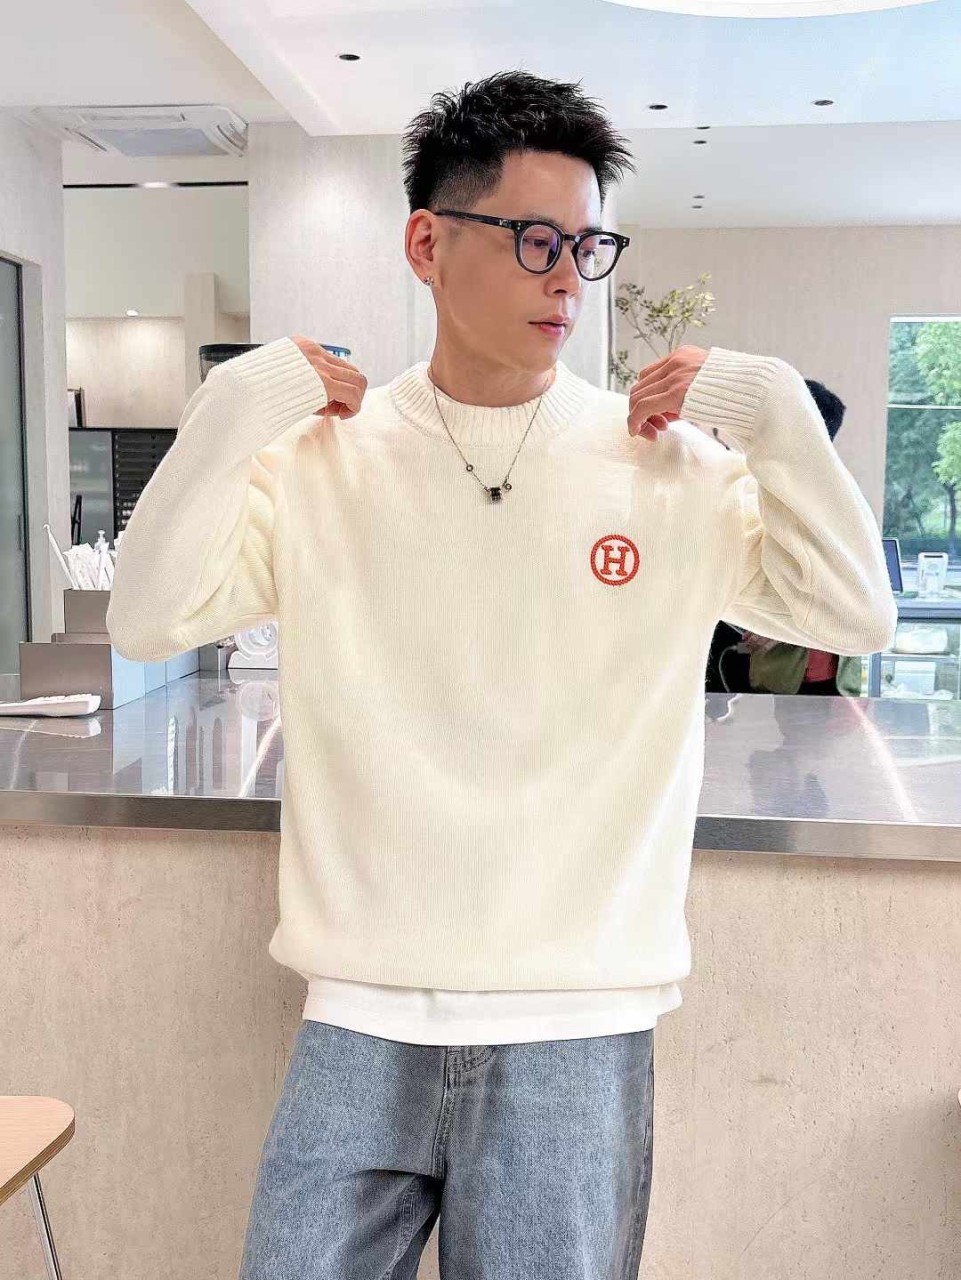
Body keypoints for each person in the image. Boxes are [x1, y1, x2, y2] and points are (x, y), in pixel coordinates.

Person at [106, 69, 897, 1280]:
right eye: (535, 239)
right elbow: (149, 615)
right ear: (428, 243)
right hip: (359, 1009)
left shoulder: (666, 468)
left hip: (578, 1025)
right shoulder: (324, 461)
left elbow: (854, 611)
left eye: (587, 246)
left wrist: (774, 406)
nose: (567, 277)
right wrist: (233, 402)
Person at [705, 379, 866, 697]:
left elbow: (842, 587)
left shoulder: (838, 500)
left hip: (824, 671)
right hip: (773, 669)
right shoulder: (757, 483)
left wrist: (779, 628)